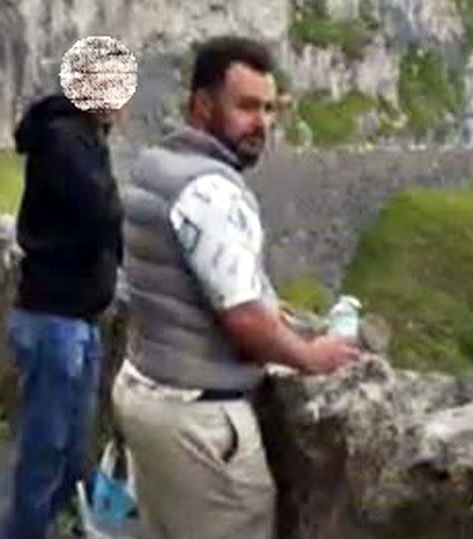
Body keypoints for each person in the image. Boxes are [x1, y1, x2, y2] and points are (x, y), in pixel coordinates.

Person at [111, 35, 362, 539]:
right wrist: (312, 358)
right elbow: (244, 319)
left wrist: (270, 305)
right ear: (202, 106)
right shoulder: (212, 190)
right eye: (246, 106)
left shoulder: (155, 167)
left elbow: (189, 279)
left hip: (146, 393)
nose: (262, 123)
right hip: (200, 421)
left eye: (269, 109)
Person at [0, 72, 129, 539]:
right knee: (44, 458)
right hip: (55, 320)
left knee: (72, 457)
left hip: (74, 319)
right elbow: (102, 212)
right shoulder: (66, 140)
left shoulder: (82, 135)